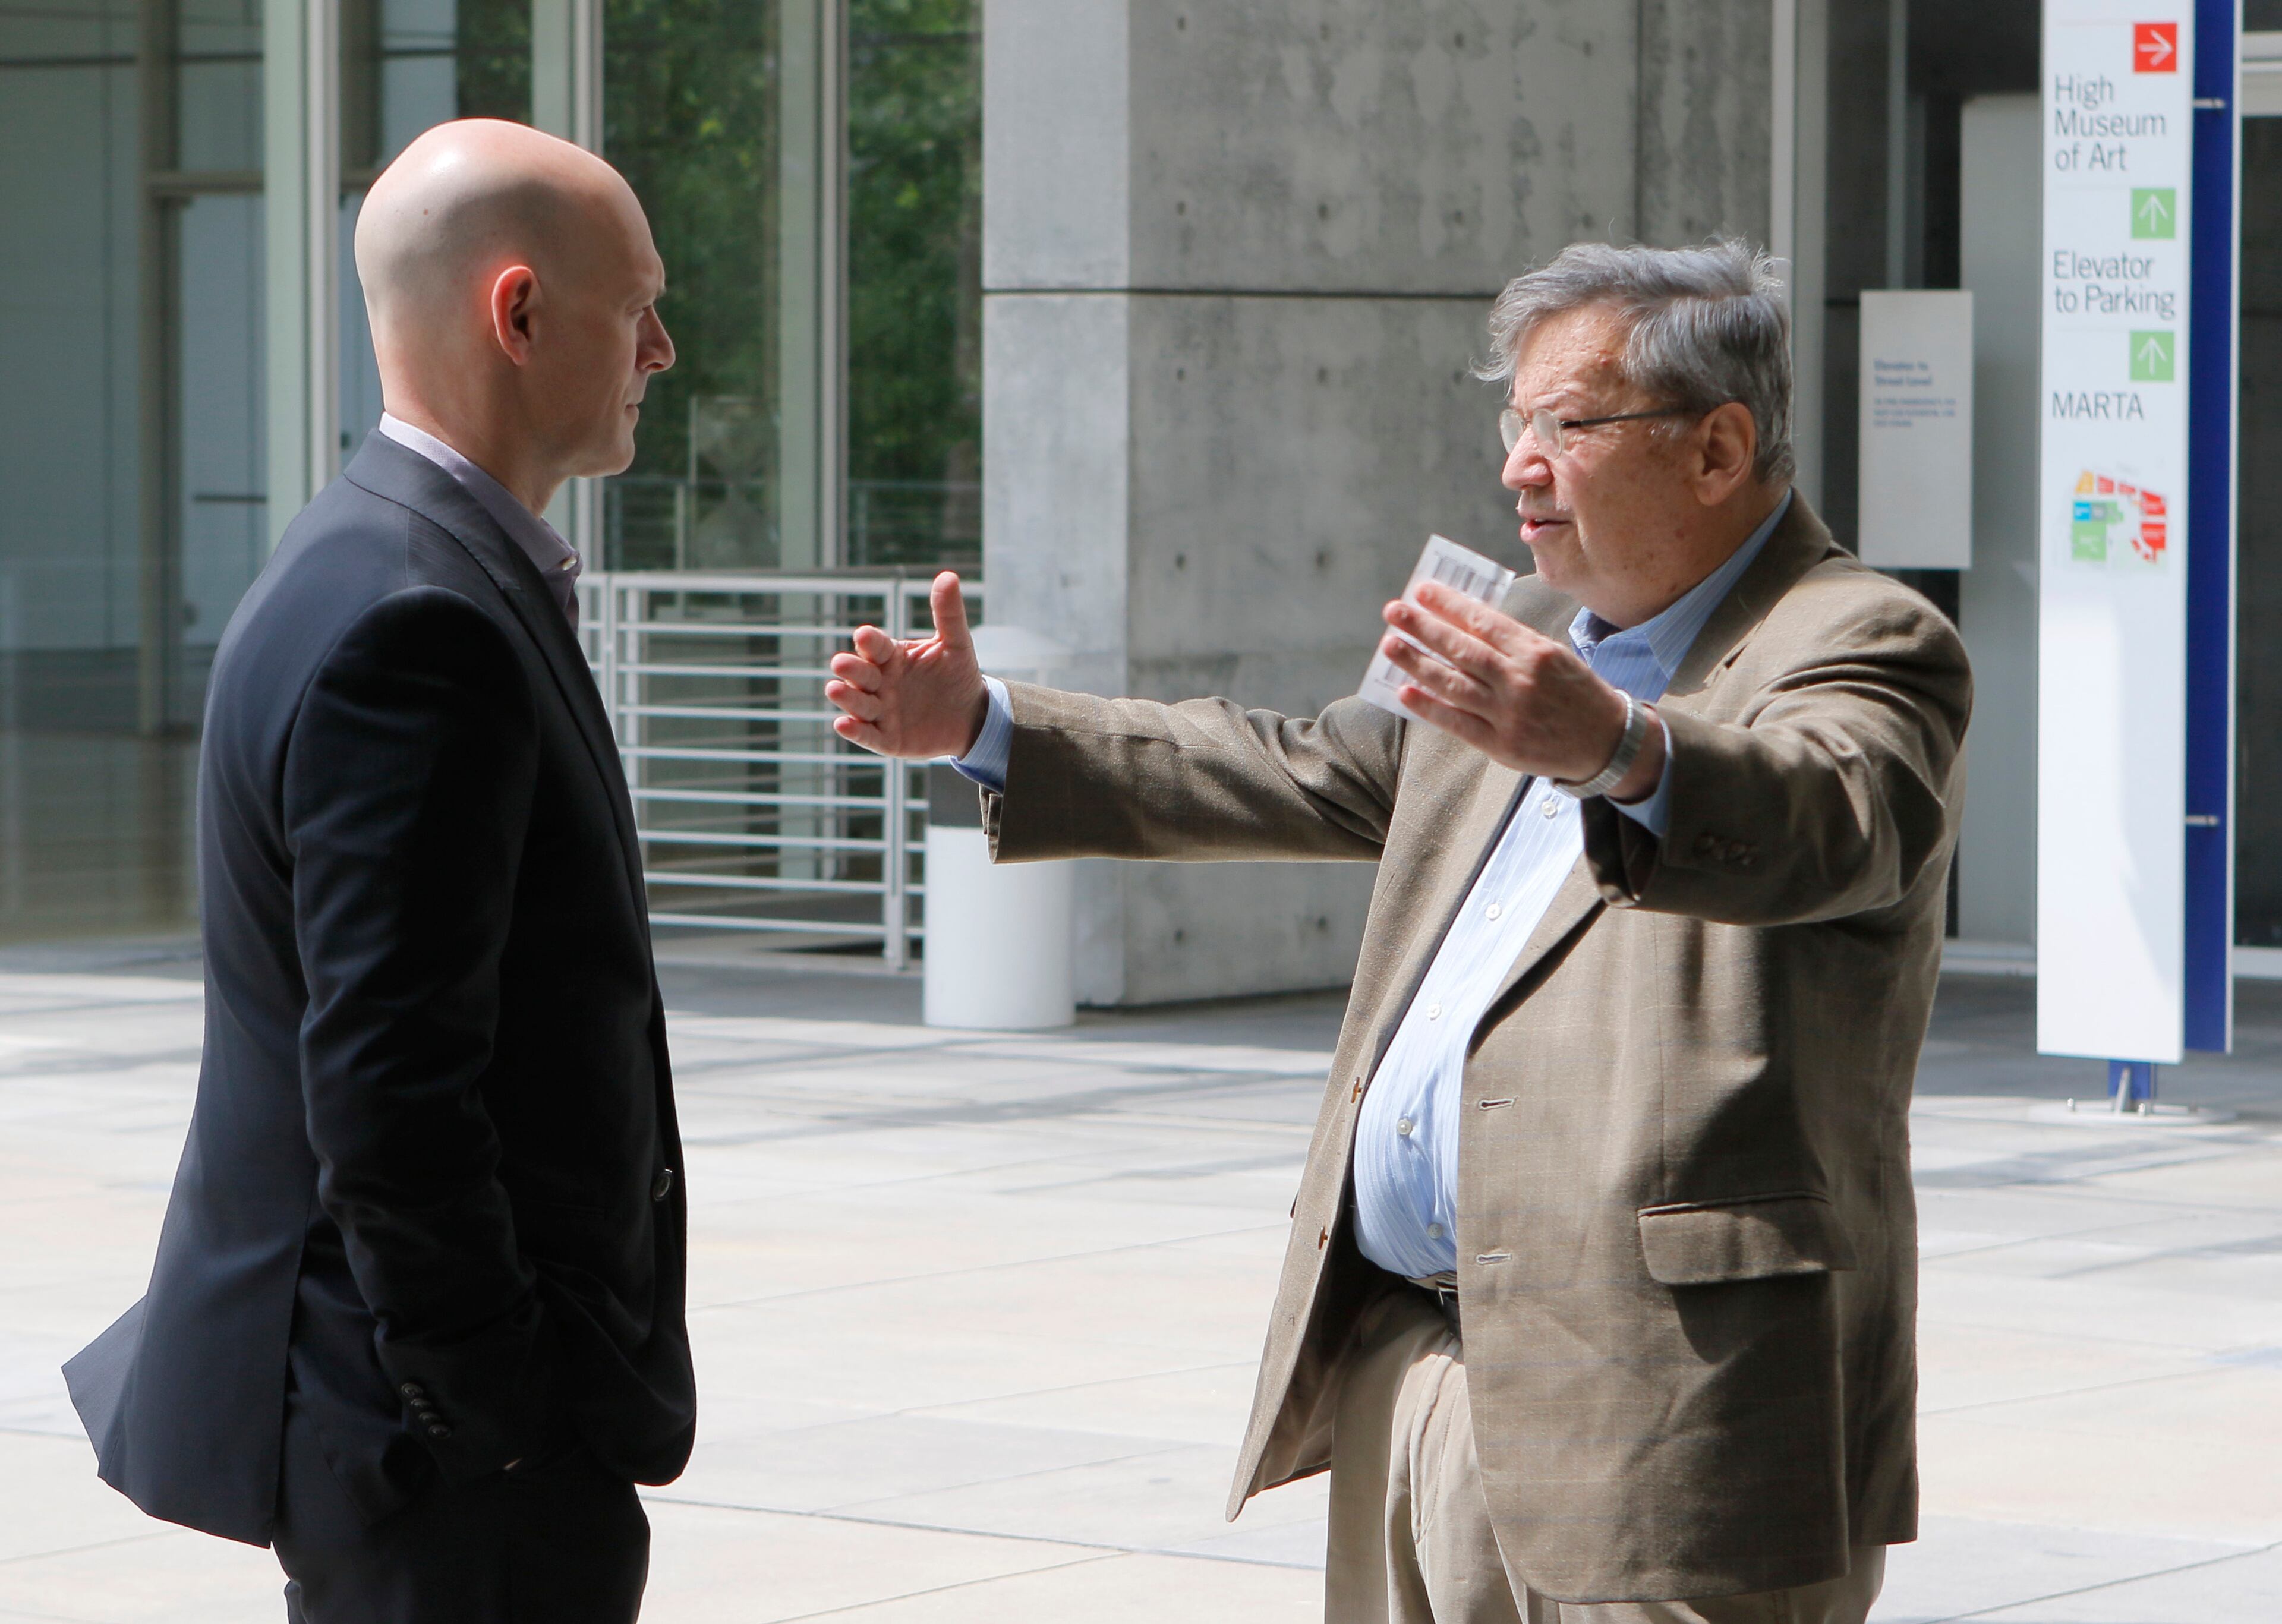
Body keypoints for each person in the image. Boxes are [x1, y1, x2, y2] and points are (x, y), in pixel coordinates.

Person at [824, 239, 1971, 1623]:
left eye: (1569, 424)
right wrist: (985, 725)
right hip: (1415, 1361)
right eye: (1515, 423)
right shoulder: (1529, 637)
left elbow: (1837, 819)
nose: (1520, 466)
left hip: (1669, 1406)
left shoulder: (1859, 634)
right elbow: (1297, 764)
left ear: (1719, 447)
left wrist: (1619, 751)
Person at [62, 119, 688, 1623]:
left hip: (415, 1442)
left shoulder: (366, 559)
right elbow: (391, 1088)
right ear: (520, 311)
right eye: (637, 303)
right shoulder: (423, 624)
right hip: (444, 1473)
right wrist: (500, 1417)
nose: (661, 349)